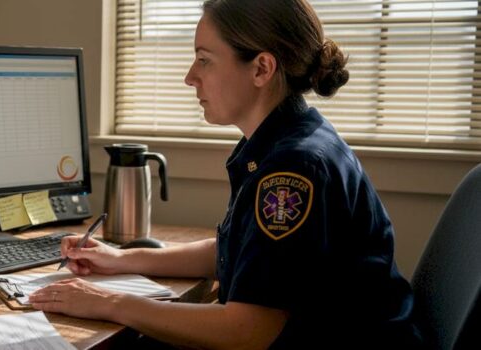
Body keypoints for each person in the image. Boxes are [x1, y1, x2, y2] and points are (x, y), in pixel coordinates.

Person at [28, 0, 424, 348]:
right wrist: (123, 260)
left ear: (261, 69)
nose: (190, 77)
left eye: (205, 59)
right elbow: (243, 252)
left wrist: (110, 302)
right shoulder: (286, 140)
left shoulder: (294, 168)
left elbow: (249, 331)